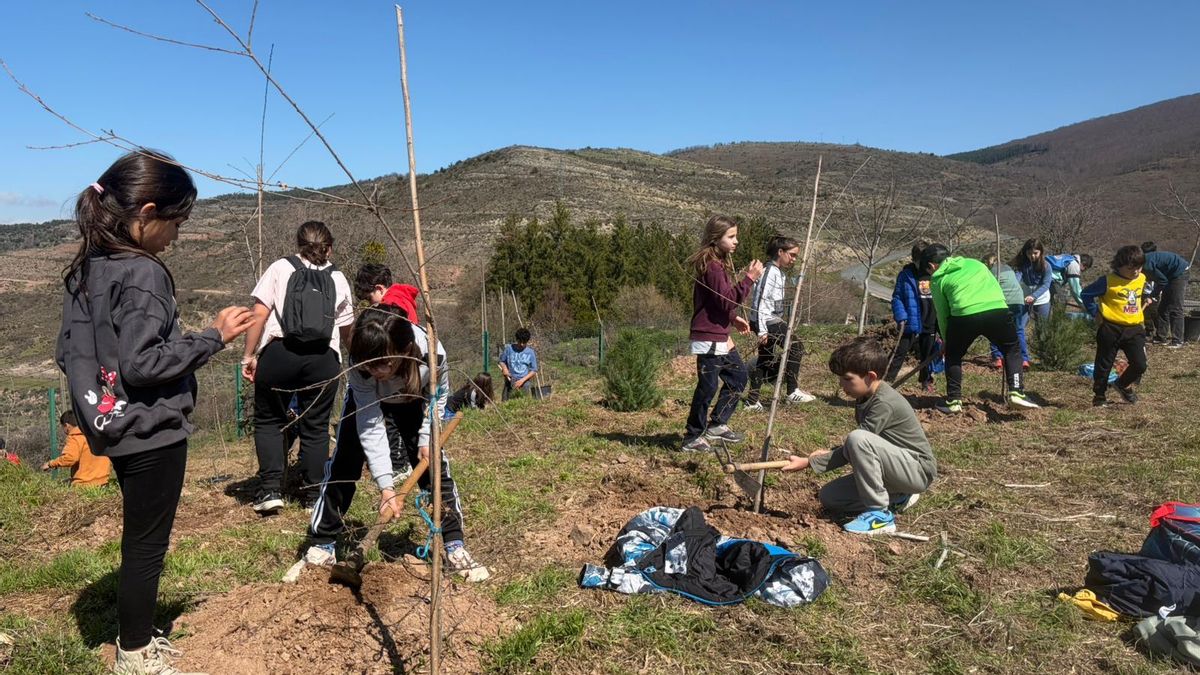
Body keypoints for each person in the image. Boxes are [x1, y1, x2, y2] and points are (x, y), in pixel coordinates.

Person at [56, 150, 253, 673]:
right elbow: (144, 366)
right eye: (177, 221)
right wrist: (214, 338)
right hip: (150, 428)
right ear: (146, 212)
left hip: (110, 424)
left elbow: (67, 351)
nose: (178, 235)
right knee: (146, 544)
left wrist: (96, 392)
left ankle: (135, 636)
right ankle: (136, 651)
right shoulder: (143, 273)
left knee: (138, 535)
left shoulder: (88, 266)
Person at [306, 306, 489, 581]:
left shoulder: (432, 354)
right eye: (369, 365)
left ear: (404, 350)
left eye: (384, 365)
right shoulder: (362, 361)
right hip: (366, 402)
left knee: (435, 469)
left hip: (414, 401)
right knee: (344, 463)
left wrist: (428, 435)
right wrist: (386, 487)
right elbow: (370, 423)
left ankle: (454, 546)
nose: (375, 371)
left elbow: (438, 398)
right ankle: (323, 544)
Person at [241, 221, 354, 515]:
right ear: (329, 247)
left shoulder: (280, 267)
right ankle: (313, 494)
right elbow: (347, 330)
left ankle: (270, 490)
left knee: (269, 421)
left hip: (280, 353)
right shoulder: (339, 278)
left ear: (298, 244)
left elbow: (259, 314)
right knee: (315, 427)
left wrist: (249, 355)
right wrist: (354, 362)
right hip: (323, 359)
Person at [782, 337, 935, 535]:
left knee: (857, 438)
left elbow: (859, 442)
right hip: (894, 470)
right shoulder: (866, 396)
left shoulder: (884, 403)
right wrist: (828, 454)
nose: (841, 384)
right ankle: (898, 497)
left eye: (847, 378)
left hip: (916, 470)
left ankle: (880, 515)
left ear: (870, 376)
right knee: (830, 496)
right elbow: (860, 444)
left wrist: (809, 462)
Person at [681, 215, 763, 452]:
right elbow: (727, 299)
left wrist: (732, 318)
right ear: (716, 239)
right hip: (709, 336)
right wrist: (749, 279)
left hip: (718, 333)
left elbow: (717, 302)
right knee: (707, 387)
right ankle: (692, 437)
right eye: (731, 236)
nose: (736, 241)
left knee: (737, 377)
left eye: (736, 236)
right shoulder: (713, 266)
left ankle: (717, 425)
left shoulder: (717, 264)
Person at [925, 244, 1039, 412]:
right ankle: (1016, 392)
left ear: (932, 266)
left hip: (964, 315)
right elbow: (994, 286)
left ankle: (954, 401)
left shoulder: (937, 279)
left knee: (954, 355)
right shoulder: (975, 263)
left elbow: (942, 314)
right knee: (1011, 349)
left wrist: (946, 340)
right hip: (996, 310)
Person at [744, 235, 814, 411]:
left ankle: (752, 401)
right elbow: (761, 302)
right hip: (767, 321)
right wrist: (762, 330)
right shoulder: (769, 272)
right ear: (780, 252)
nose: (794, 259)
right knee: (796, 347)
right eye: (792, 254)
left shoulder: (778, 273)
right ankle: (792, 391)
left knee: (765, 358)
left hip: (768, 320)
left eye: (796, 255)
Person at [1081, 245, 1150, 406]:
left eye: (1139, 267)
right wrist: (1095, 313)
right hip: (1111, 328)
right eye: (1131, 268)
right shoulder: (1107, 281)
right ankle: (1099, 395)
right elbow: (1086, 294)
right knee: (1104, 364)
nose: (1136, 272)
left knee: (1140, 364)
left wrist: (1147, 297)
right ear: (1119, 265)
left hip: (1134, 328)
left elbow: (1141, 291)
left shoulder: (1141, 278)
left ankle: (1122, 384)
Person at [885, 241, 938, 393]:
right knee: (899, 353)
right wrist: (901, 316)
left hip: (930, 321)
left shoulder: (934, 274)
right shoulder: (906, 275)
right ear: (914, 259)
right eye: (921, 261)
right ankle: (888, 381)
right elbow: (897, 297)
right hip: (910, 321)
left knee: (927, 355)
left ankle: (926, 381)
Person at [983, 253, 1030, 368]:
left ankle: (998, 358)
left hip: (1004, 302)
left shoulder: (991, 272)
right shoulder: (1008, 268)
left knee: (994, 329)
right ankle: (1024, 359)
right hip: (1019, 300)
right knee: (1018, 330)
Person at [41, 411, 111, 487]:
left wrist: (50, 464)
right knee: (65, 481)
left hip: (85, 484)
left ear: (67, 426)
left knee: (56, 486)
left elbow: (70, 458)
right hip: (104, 483)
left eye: (63, 427)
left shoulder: (75, 437)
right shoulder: (98, 435)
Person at [1140, 242, 1190, 348]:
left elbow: (1162, 281)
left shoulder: (1146, 265)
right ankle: (1160, 337)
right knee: (1163, 308)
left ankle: (1178, 340)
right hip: (1169, 275)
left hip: (1179, 273)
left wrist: (1152, 295)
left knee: (1176, 308)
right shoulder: (1141, 262)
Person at [1011, 238, 1053, 361]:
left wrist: (1034, 296)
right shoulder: (1022, 264)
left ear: (1040, 252)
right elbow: (1017, 278)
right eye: (1030, 253)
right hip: (1024, 298)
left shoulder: (1046, 266)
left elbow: (1046, 285)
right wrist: (1013, 287)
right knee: (1019, 326)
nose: (1032, 256)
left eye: (1035, 253)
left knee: (1042, 328)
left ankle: (1044, 356)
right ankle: (1023, 357)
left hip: (1041, 298)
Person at [354, 262, 421, 321]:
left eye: (369, 298)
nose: (370, 304)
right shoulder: (401, 296)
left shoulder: (391, 306)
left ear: (379, 289)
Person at [499, 327, 538, 400]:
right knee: (505, 402)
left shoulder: (530, 352)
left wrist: (522, 381)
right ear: (517, 340)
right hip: (509, 382)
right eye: (520, 342)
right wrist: (504, 369)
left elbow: (534, 370)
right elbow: (502, 361)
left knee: (522, 405)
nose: (522, 344)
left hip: (524, 383)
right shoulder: (509, 349)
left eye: (524, 342)